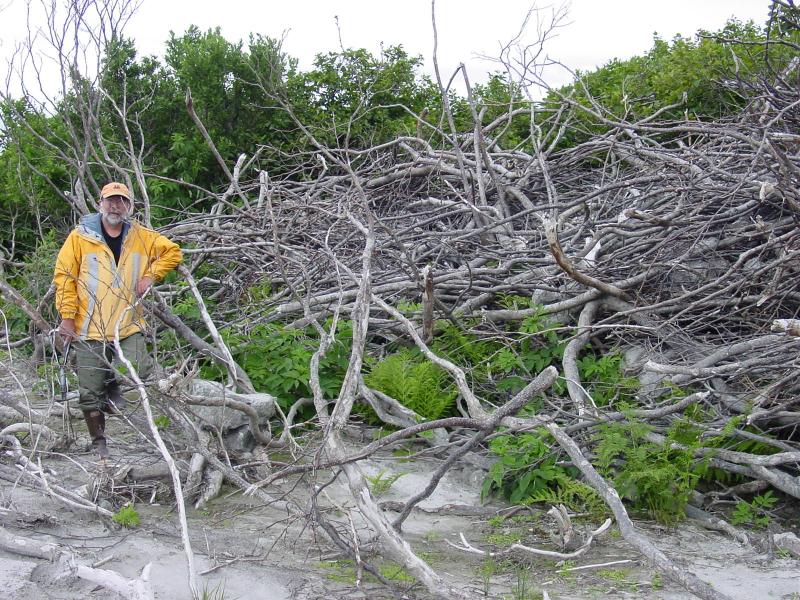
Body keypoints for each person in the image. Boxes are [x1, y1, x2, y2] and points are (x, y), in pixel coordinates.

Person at [53, 182, 182, 459]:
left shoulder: (141, 236)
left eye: (121, 201)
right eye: (111, 200)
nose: (116, 206)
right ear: (100, 203)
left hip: (128, 323)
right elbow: (64, 277)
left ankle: (115, 389)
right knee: (89, 391)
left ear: (129, 206)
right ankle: (99, 442)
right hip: (88, 326)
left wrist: (151, 275)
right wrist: (67, 318)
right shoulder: (79, 237)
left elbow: (172, 251)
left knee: (140, 373)